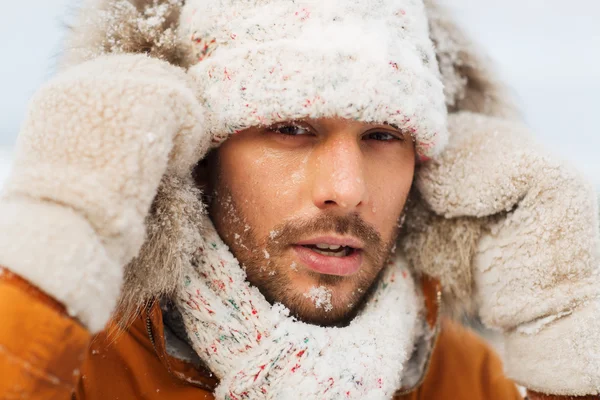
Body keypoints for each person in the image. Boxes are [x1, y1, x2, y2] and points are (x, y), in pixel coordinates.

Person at [0, 0, 598, 399]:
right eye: (290, 128)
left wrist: (569, 345)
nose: (347, 188)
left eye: (383, 135)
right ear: (197, 156)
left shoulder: (464, 377)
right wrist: (53, 247)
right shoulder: (71, 356)